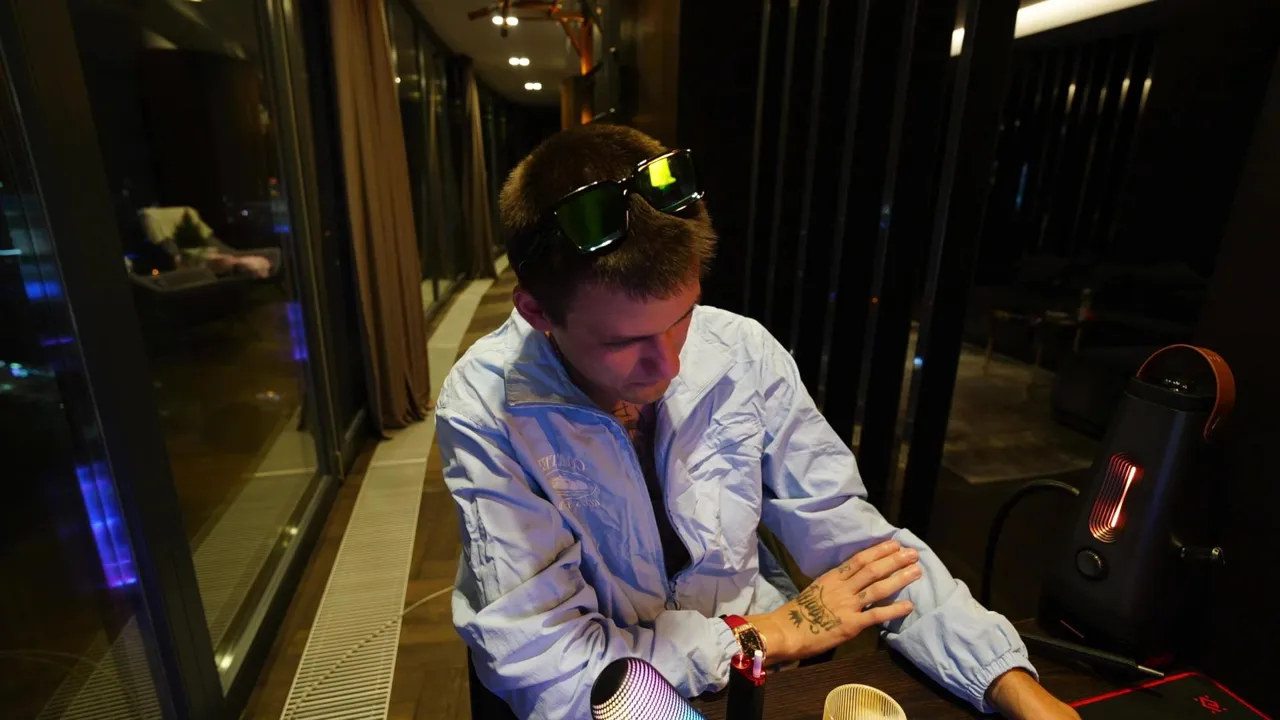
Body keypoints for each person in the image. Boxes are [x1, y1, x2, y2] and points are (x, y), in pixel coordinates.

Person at [436, 123, 1080, 720]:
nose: (669, 364)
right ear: (538, 313)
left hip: (755, 677)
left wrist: (1011, 683)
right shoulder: (487, 406)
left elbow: (858, 542)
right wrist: (769, 633)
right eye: (623, 343)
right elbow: (553, 667)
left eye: (682, 317)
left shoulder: (741, 350)